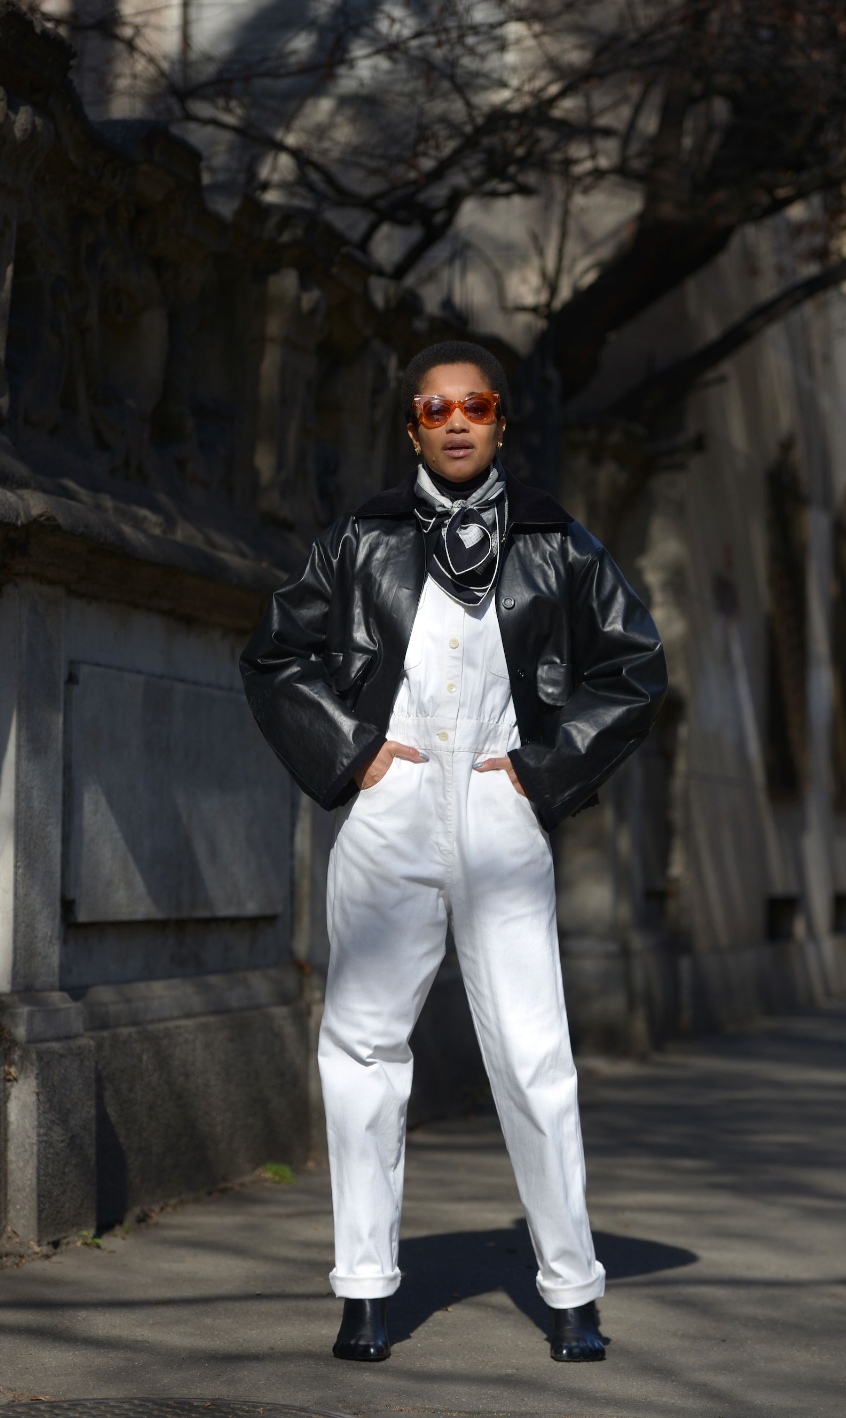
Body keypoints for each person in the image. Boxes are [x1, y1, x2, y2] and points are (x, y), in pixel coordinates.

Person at [240, 340, 667, 1364]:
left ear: (501, 422)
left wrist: (544, 770)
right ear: (412, 430)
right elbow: (276, 652)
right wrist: (352, 753)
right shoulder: (363, 536)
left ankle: (571, 1289)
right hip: (389, 805)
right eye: (436, 409)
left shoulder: (556, 540)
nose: (457, 421)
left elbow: (634, 665)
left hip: (497, 801)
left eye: (475, 405)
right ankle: (363, 1289)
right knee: (362, 1045)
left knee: (532, 1053)